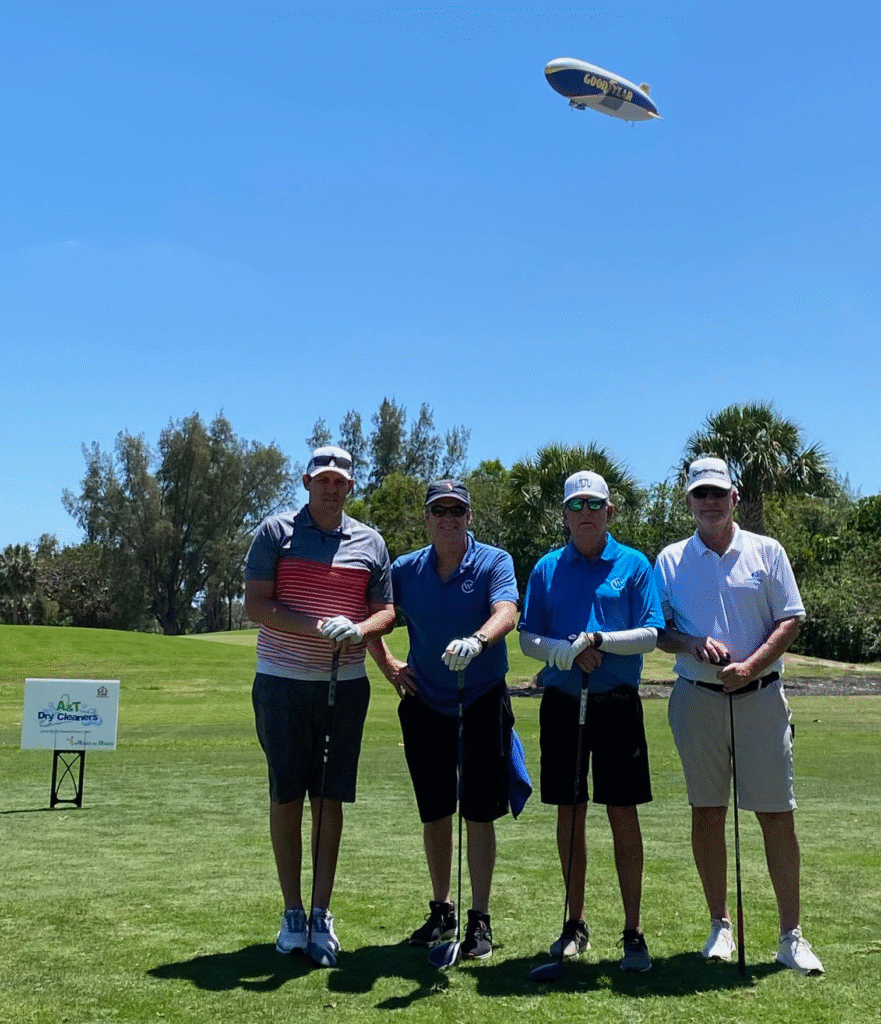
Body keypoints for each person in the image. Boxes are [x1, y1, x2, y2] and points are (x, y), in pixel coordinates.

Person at [654, 457, 824, 975]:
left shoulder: (766, 551)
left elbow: (791, 618)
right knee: (706, 811)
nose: (710, 502)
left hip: (761, 698)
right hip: (696, 697)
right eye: (700, 494)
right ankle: (719, 926)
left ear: (735, 496)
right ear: (688, 501)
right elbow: (658, 631)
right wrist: (692, 642)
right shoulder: (668, 559)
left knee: (776, 813)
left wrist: (750, 666)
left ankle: (790, 936)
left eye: (718, 494)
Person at [244, 445, 395, 967]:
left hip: (345, 684)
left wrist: (360, 629)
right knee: (287, 795)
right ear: (307, 481)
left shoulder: (369, 542)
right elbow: (255, 605)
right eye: (323, 479)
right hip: (283, 682)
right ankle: (292, 913)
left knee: (330, 800)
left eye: (340, 481)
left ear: (350, 487)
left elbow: (386, 610)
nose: (332, 487)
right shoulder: (275, 532)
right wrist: (316, 627)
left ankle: (321, 912)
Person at [519, 470, 663, 972]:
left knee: (623, 811)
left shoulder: (634, 564)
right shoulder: (545, 569)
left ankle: (633, 932)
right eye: (575, 506)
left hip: (618, 704)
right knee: (570, 810)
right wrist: (563, 653)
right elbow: (528, 637)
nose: (585, 513)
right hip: (563, 704)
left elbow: (649, 633)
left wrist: (600, 642)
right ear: (564, 514)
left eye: (593, 505)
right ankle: (574, 924)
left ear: (610, 512)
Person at [368, 479, 519, 960]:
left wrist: (477, 640)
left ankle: (480, 919)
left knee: (478, 811)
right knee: (435, 811)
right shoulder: (406, 570)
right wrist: (389, 665)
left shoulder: (493, 561)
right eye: (440, 510)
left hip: (480, 699)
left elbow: (507, 610)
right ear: (428, 518)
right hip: (427, 703)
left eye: (458, 510)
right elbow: (376, 616)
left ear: (469, 517)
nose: (449, 518)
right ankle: (442, 910)